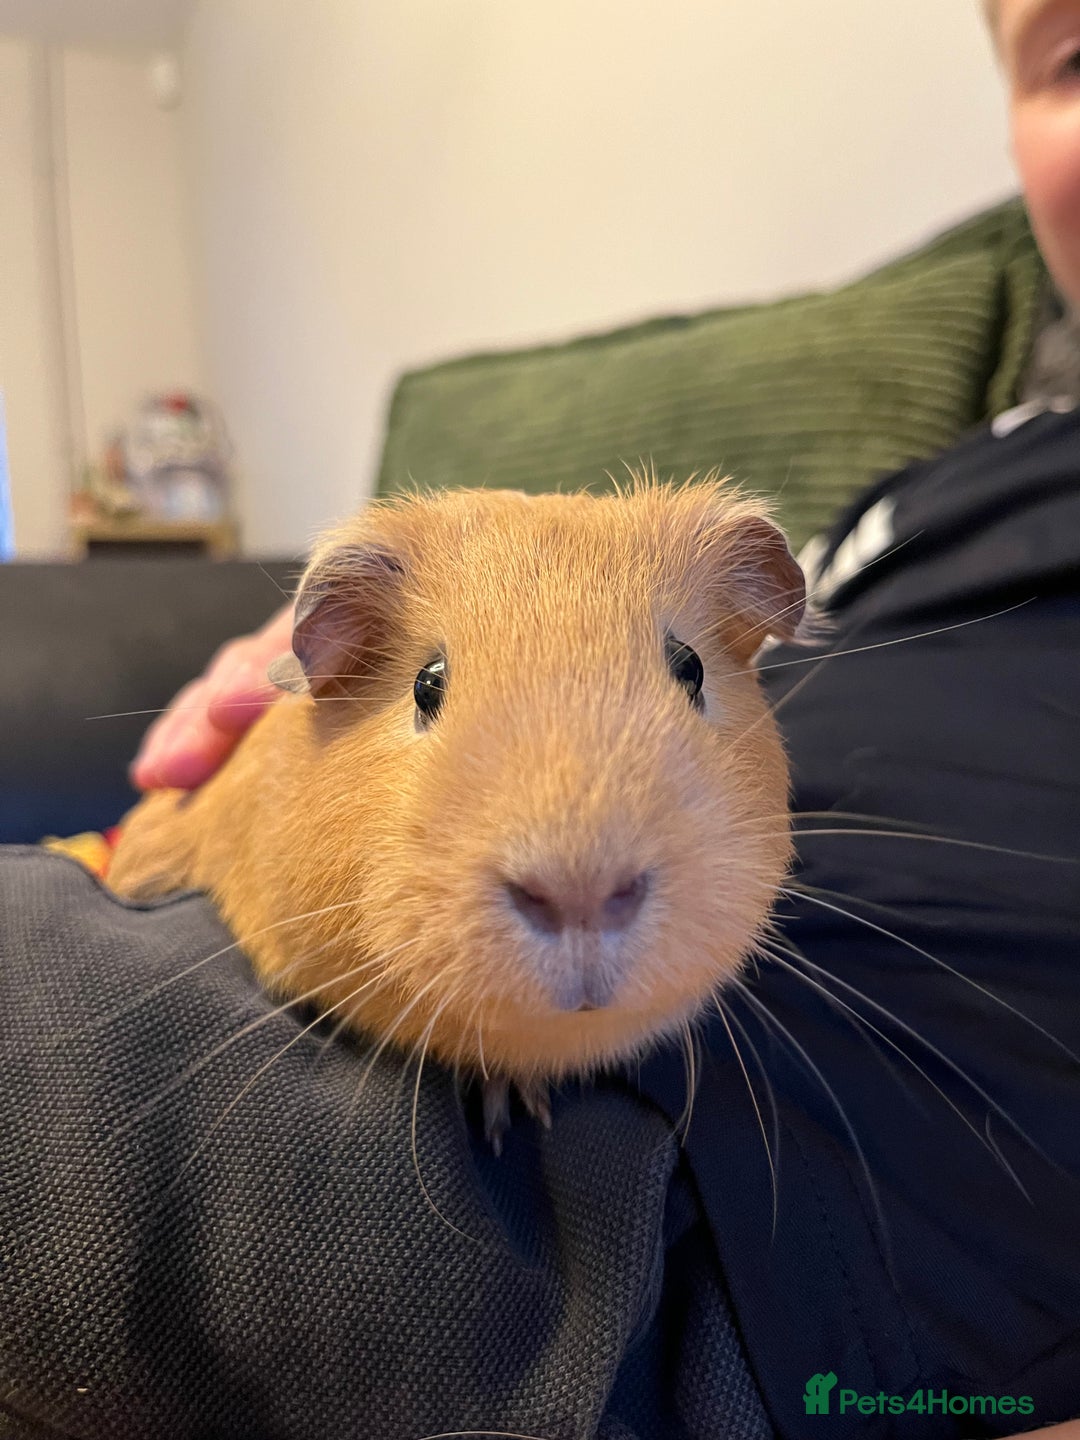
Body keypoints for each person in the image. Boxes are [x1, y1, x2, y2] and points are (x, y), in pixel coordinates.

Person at [12, 0, 1076, 1434]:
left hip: (763, 1189)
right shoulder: (958, 472)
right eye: (1073, 54)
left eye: (686, 671)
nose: (577, 866)